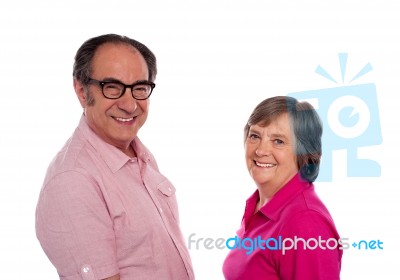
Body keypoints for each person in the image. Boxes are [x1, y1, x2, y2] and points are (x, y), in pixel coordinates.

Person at [35, 34, 194, 280]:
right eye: (112, 88)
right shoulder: (73, 181)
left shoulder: (141, 155)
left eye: (139, 88)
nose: (129, 104)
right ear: (81, 90)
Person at [222, 96, 342, 279]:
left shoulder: (305, 222)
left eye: (278, 141)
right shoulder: (260, 207)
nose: (260, 151)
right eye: (255, 136)